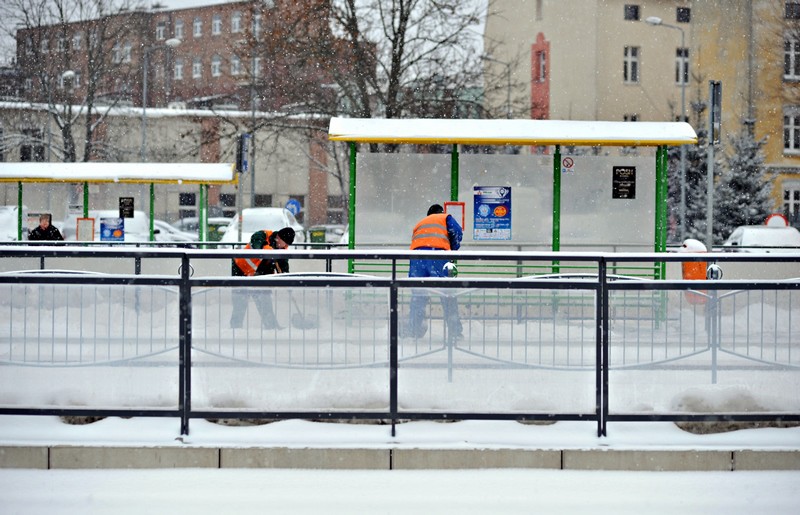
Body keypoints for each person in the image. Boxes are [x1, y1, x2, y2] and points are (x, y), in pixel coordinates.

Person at [402, 204, 463, 340]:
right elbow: (457, 232)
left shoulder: (420, 223)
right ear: (440, 212)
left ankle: (414, 331)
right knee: (447, 293)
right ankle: (455, 332)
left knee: (418, 295)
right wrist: (452, 249)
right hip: (438, 256)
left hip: (417, 259)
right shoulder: (445, 217)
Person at [230, 227, 295, 329]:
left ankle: (271, 326)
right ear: (279, 238)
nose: (286, 246)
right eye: (285, 243)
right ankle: (235, 326)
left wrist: (288, 282)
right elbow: (256, 241)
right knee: (241, 300)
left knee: (265, 300)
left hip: (259, 274)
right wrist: (265, 248)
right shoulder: (264, 235)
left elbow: (283, 268)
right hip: (241, 270)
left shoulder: (282, 249)